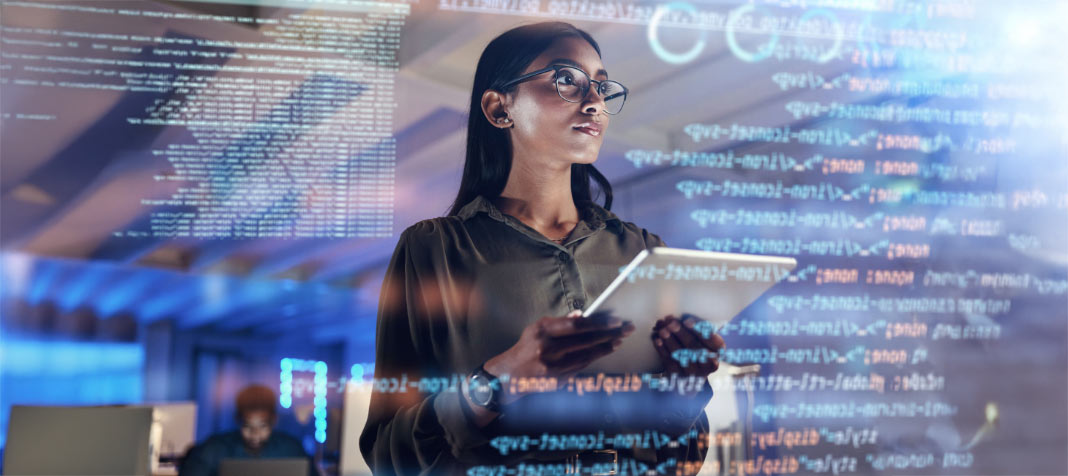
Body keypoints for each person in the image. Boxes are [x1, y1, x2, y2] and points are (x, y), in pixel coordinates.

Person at [360, 22, 725, 475]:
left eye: (600, 85)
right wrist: (499, 379)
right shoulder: (434, 250)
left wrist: (685, 388)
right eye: (566, 79)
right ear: (498, 108)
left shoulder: (643, 252)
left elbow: (685, 460)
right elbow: (386, 456)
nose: (595, 101)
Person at [179, 384, 317, 476]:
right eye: (247, 426)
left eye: (263, 426)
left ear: (274, 421)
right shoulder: (214, 448)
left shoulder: (291, 448)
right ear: (237, 420)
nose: (255, 435)